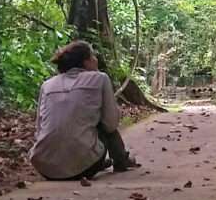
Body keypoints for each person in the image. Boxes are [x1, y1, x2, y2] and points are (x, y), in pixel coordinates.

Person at [29, 41, 140, 180]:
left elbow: (39, 129)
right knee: (103, 121)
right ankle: (121, 160)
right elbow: (111, 124)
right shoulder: (100, 78)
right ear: (86, 62)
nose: (96, 60)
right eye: (93, 56)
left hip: (45, 167)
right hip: (86, 170)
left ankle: (88, 161)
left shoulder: (47, 85)